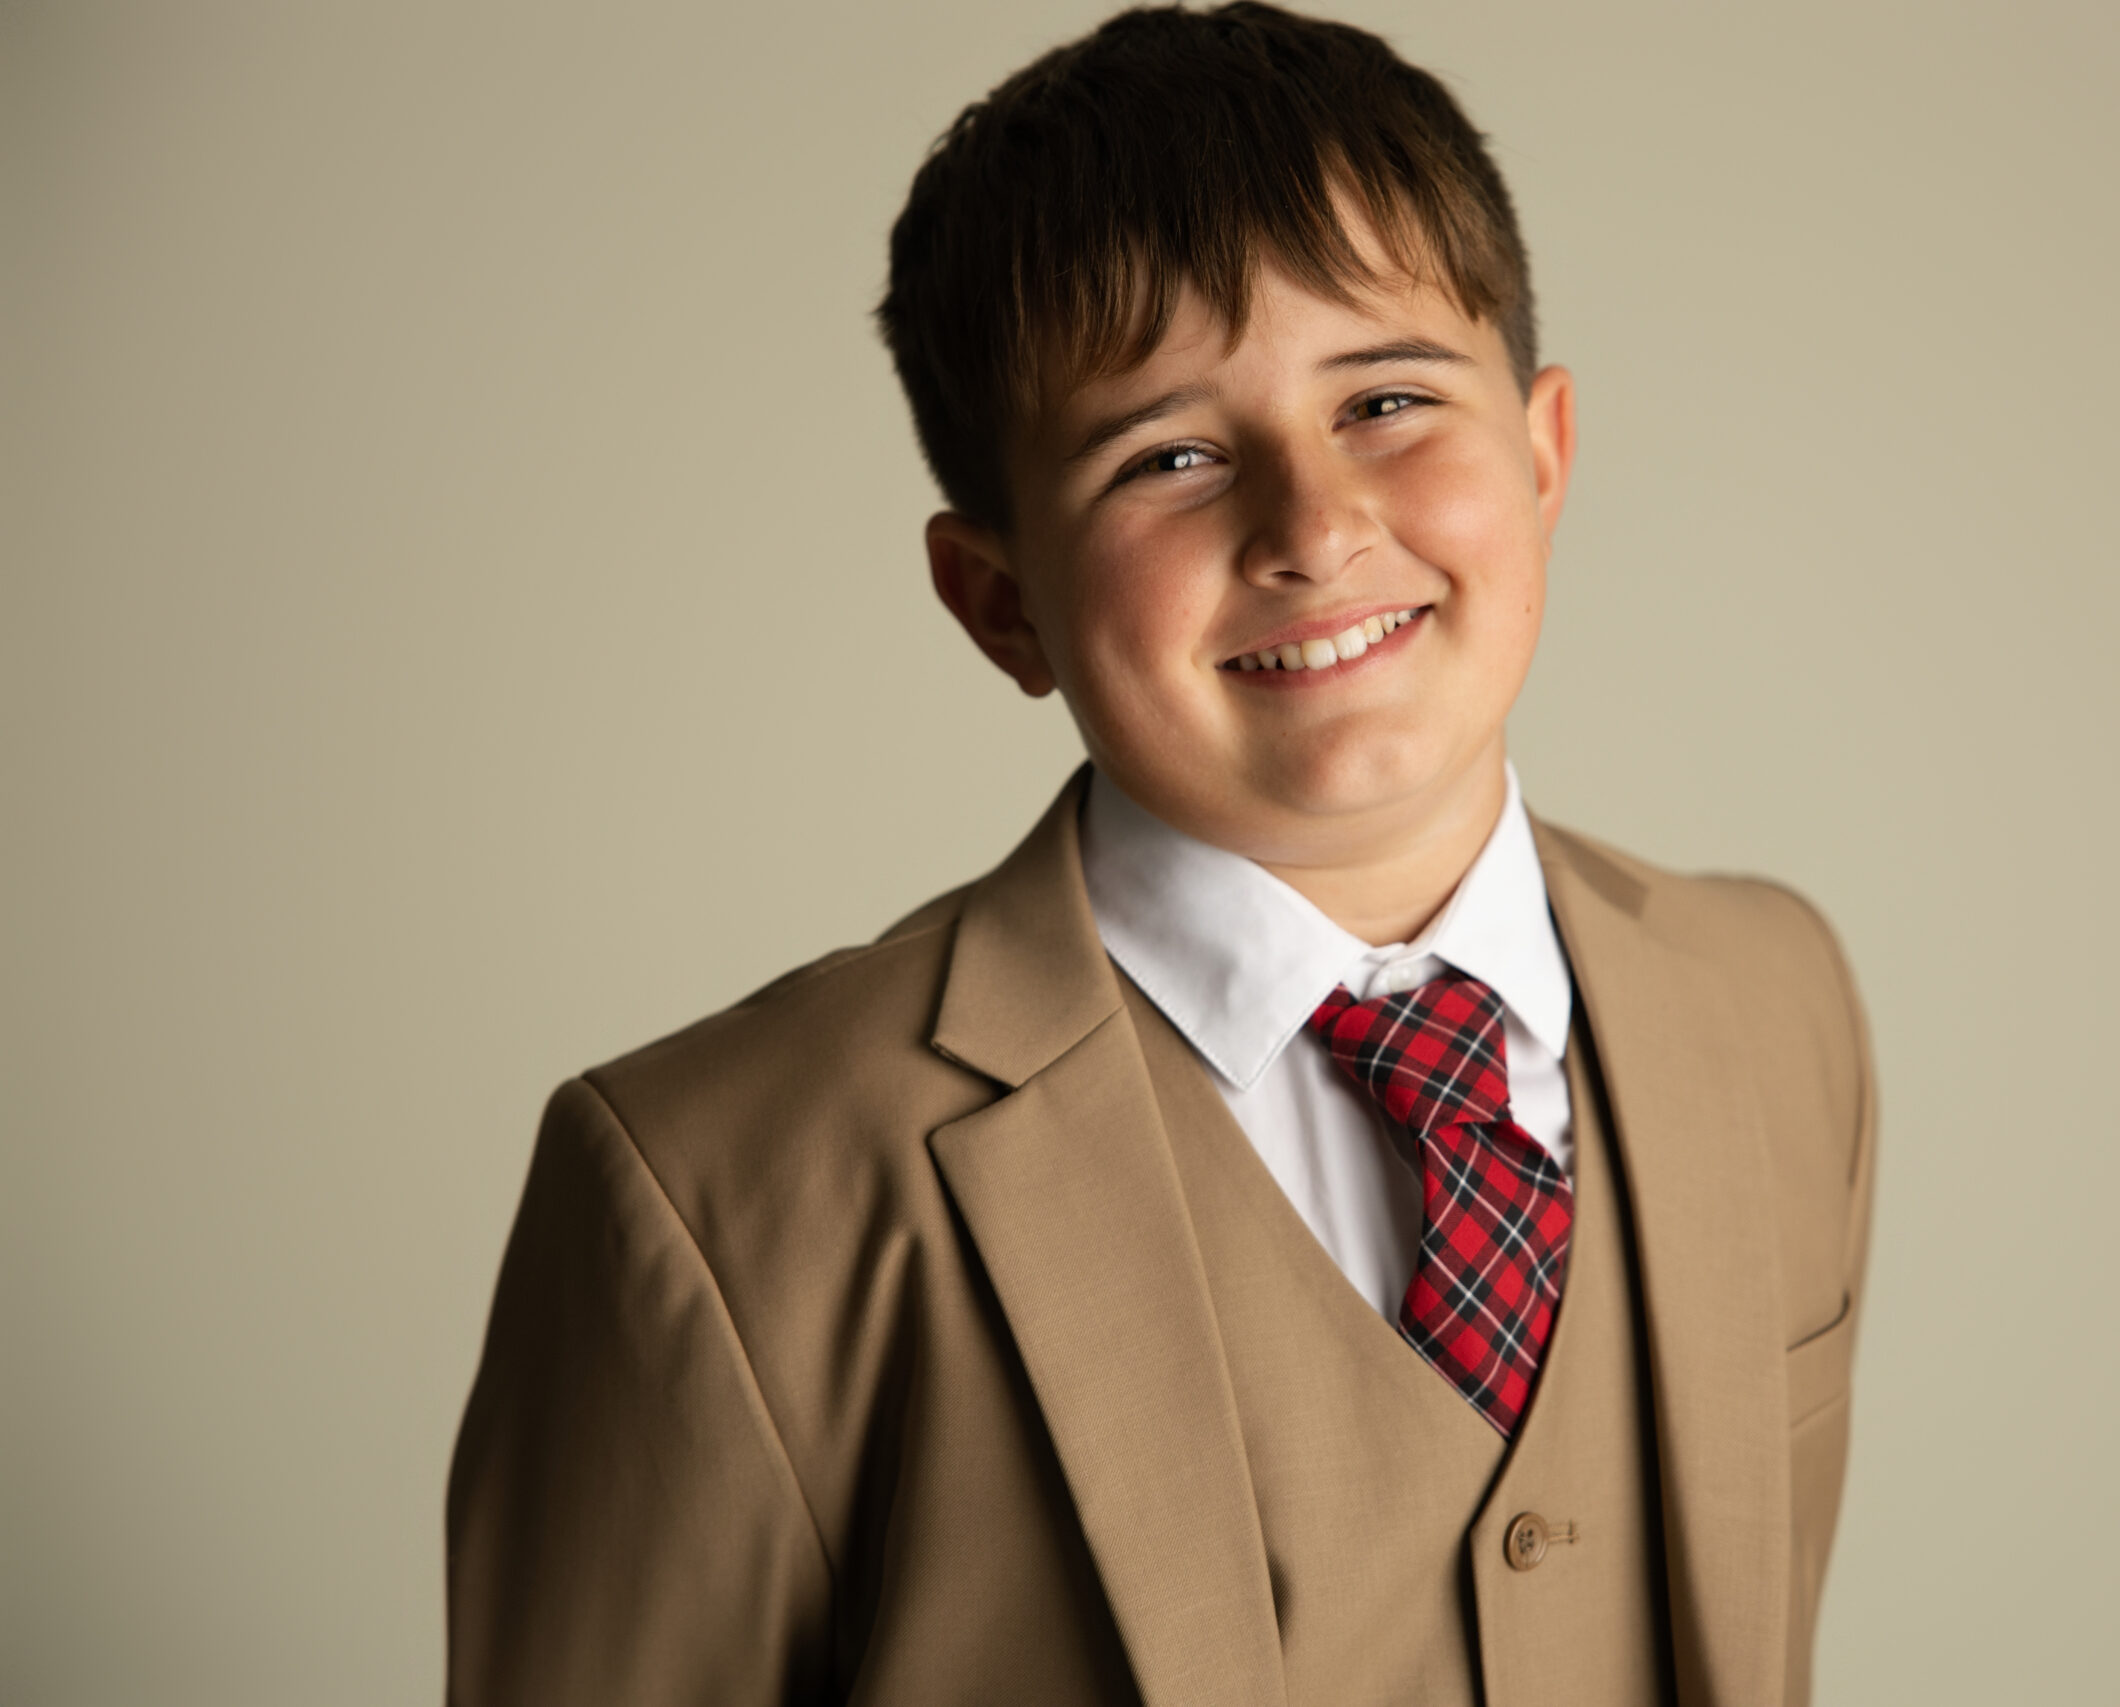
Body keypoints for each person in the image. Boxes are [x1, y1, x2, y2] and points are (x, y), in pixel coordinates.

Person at [444, 5, 1876, 1703]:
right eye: (1171, 456)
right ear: (1001, 601)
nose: (1316, 525)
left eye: (1391, 398)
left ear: (1545, 452)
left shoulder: (1771, 1005)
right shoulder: (724, 1199)